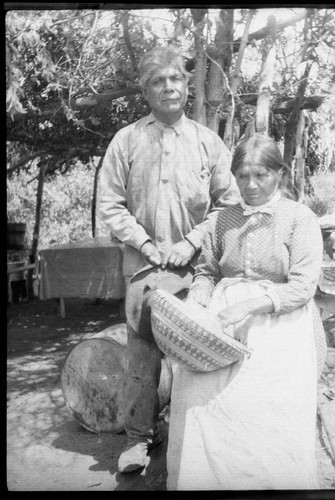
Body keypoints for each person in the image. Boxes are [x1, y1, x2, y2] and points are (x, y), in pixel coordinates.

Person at [98, 45, 240, 474]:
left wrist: (193, 240)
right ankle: (139, 441)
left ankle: (197, 434)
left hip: (197, 269)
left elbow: (228, 203)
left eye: (175, 79)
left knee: (200, 347)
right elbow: (110, 203)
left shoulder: (206, 141)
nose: (169, 88)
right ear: (146, 91)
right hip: (143, 267)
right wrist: (144, 243)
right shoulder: (127, 140)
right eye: (158, 82)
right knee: (142, 352)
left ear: (185, 84)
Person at [166, 133, 327, 490]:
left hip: (279, 322)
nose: (250, 185)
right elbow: (207, 271)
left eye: (261, 176)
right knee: (199, 396)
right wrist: (197, 301)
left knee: (264, 409)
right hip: (221, 325)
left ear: (280, 175)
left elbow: (302, 286)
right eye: (242, 176)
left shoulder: (300, 218)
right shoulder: (223, 219)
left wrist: (246, 306)